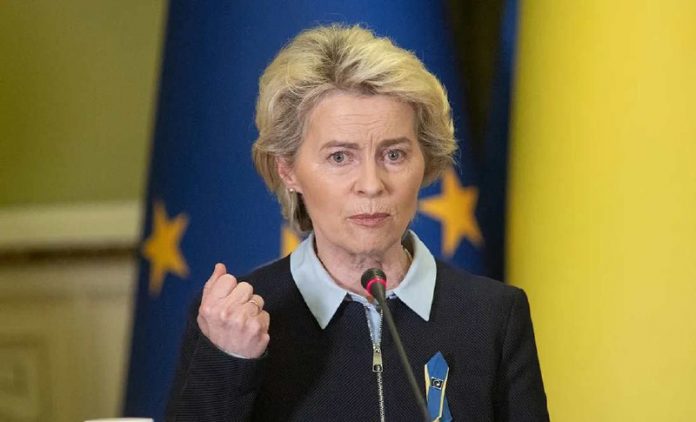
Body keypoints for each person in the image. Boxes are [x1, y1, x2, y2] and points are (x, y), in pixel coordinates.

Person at [166, 24, 548, 421]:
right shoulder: (235, 321)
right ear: (288, 170)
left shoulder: (493, 316)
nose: (371, 184)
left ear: (426, 161)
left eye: (394, 155)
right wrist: (229, 363)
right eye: (339, 157)